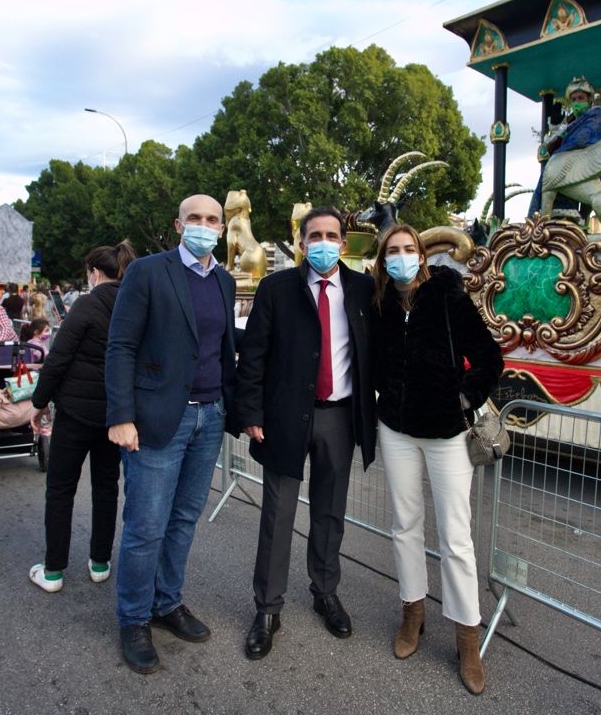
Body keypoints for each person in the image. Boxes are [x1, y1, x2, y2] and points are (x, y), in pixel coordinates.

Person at [235, 205, 377, 660]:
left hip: (340, 417)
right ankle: (267, 608)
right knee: (277, 515)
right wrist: (251, 411)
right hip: (284, 417)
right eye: (314, 235)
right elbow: (254, 355)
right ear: (300, 243)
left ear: (343, 241)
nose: (323, 243)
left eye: (331, 235)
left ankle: (324, 591)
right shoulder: (276, 288)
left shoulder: (362, 289)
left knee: (330, 512)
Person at [105, 194, 239, 675]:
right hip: (159, 417)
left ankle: (167, 602)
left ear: (222, 229)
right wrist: (121, 415)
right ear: (179, 225)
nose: (203, 226)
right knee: (146, 525)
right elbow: (120, 344)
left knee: (183, 519)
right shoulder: (147, 272)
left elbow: (224, 348)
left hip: (209, 417)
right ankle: (134, 618)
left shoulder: (224, 280)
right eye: (195, 219)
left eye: (212, 220)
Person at [369, 224, 502, 695]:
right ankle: (413, 612)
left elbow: (488, 356)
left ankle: (468, 634)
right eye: (393, 251)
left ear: (422, 256)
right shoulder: (380, 303)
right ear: (383, 260)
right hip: (397, 429)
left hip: (446, 433)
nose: (401, 257)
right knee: (405, 523)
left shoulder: (447, 296)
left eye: (409, 249)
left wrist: (464, 398)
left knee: (455, 534)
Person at [28, 241, 136, 593]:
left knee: (60, 489)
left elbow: (58, 359)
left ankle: (54, 569)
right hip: (114, 415)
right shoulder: (135, 303)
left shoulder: (87, 304)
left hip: (74, 414)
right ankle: (100, 562)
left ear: (94, 272)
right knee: (106, 488)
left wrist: (39, 402)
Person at [528, 76, 601, 222]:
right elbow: (550, 148)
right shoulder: (569, 122)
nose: (576, 102)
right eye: (573, 99)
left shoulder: (598, 115)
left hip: (591, 164)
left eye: (580, 98)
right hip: (570, 167)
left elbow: (583, 138)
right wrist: (555, 128)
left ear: (589, 100)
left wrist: (565, 138)